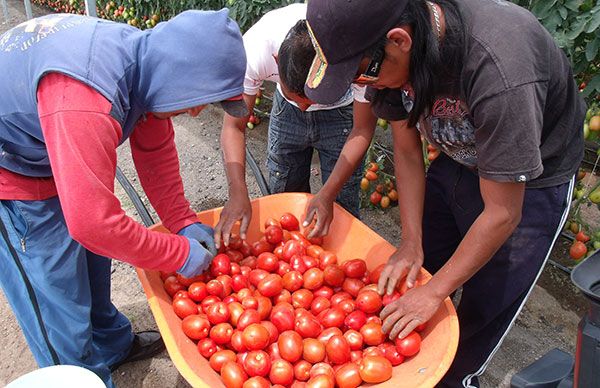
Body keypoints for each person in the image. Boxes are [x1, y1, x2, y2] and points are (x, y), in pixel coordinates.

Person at [302, 0, 586, 386]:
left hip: (529, 184)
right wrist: (411, 240)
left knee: (480, 314)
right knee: (415, 277)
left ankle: (458, 379)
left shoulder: (499, 67)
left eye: (363, 76)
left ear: (398, 41)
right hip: (458, 157)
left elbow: (503, 213)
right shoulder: (394, 57)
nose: (362, 88)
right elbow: (405, 148)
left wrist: (436, 291)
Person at [0, 10, 247, 387]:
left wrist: (182, 220)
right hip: (12, 171)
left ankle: (113, 346)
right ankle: (80, 377)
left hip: (54, 141)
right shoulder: (84, 96)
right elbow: (92, 224)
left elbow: (155, 154)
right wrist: (179, 254)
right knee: (57, 295)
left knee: (95, 265)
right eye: (198, 99)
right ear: (178, 74)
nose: (197, 112)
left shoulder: (148, 62)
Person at [214, 3, 377, 248]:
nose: (305, 108)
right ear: (277, 62)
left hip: (342, 115)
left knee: (341, 203)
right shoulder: (255, 50)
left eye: (314, 99)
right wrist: (237, 191)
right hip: (284, 114)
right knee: (284, 187)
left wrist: (328, 193)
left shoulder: (355, 56)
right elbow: (233, 126)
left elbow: (362, 129)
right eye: (297, 98)